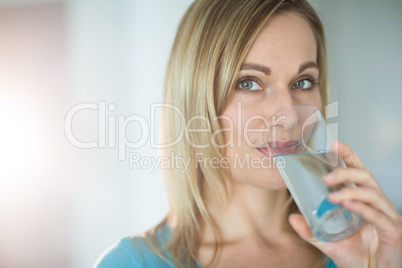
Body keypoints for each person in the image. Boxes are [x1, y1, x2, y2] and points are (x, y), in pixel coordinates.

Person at [94, 0, 402, 267]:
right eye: (249, 83)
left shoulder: (377, 245)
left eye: (303, 82)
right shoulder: (129, 264)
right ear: (196, 101)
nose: (289, 114)